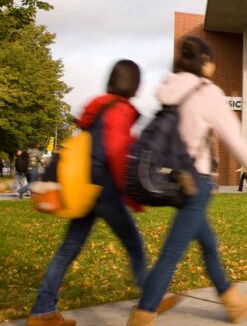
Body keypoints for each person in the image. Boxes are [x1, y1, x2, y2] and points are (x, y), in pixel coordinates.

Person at [127, 36, 247, 325]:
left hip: (176, 179)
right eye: (212, 60)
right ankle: (144, 312)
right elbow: (234, 138)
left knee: (208, 243)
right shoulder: (207, 92)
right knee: (172, 253)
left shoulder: (170, 89)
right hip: (196, 182)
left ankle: (233, 302)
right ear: (204, 61)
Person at [28, 60, 180, 326]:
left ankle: (43, 311)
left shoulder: (98, 108)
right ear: (134, 84)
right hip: (104, 191)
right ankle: (150, 299)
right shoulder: (119, 111)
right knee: (133, 244)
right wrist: (133, 197)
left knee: (67, 250)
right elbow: (117, 155)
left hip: (85, 188)